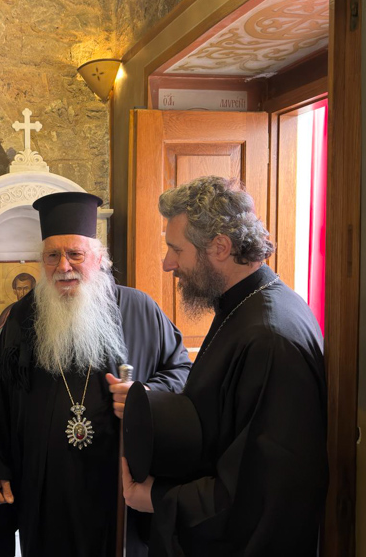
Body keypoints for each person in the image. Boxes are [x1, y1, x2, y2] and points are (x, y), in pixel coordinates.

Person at [0, 192, 192, 557]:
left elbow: (181, 372)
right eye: (52, 255)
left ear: (99, 258)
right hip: (45, 491)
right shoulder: (22, 318)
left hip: (119, 489)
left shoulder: (139, 309)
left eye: (75, 254)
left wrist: (145, 396)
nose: (63, 266)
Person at [121, 176, 328, 556]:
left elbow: (259, 492)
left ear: (219, 247)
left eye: (176, 249)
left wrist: (154, 497)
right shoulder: (242, 308)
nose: (167, 263)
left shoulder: (269, 338)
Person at [0, 273, 37, 363]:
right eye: (19, 289)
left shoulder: (40, 311)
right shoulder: (8, 312)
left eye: (26, 288)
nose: (22, 293)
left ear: (33, 289)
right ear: (15, 291)